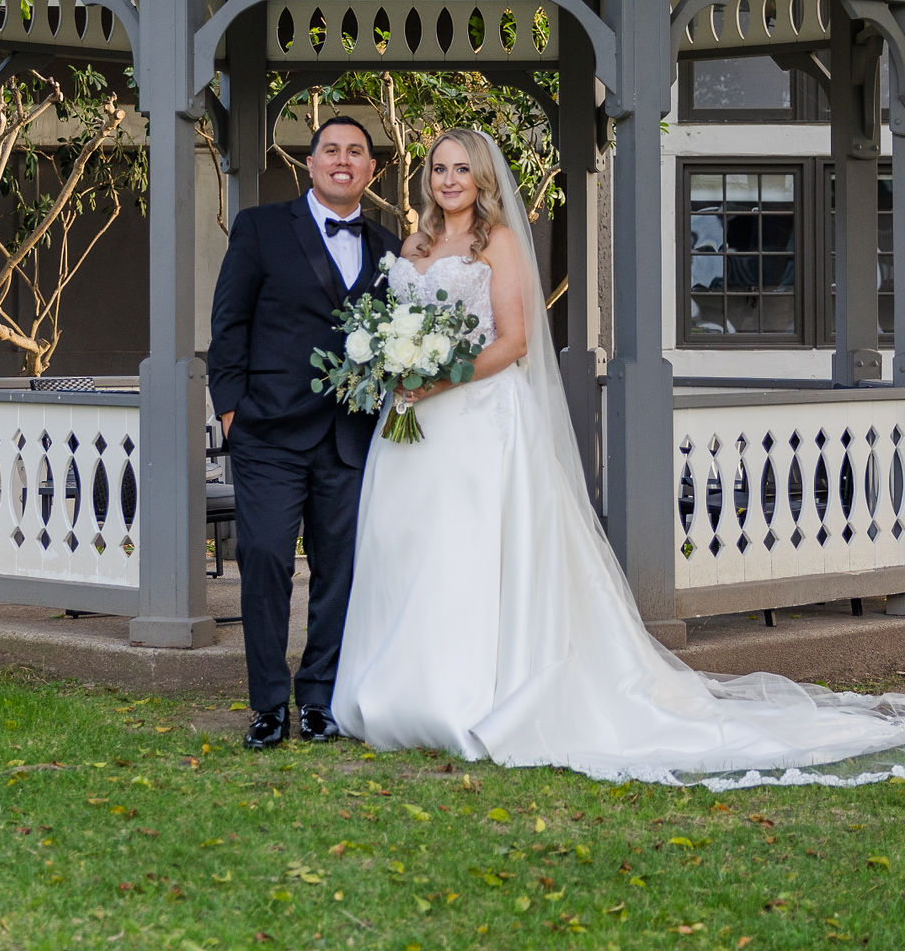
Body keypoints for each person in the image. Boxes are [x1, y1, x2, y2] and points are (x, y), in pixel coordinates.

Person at [332, 129, 905, 787]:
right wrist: (399, 369)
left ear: (484, 178)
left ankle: (467, 696)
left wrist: (441, 376)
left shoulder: (500, 242)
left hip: (477, 421)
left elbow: (515, 340)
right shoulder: (414, 244)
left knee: (470, 554)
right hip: (413, 426)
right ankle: (400, 691)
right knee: (412, 552)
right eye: (440, 168)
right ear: (426, 177)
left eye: (463, 168)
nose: (450, 178)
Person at [208, 116, 400, 750]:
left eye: (357, 152)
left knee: (338, 570)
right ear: (310, 164)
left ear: (371, 170)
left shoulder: (389, 247)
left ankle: (318, 696)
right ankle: (268, 703)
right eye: (331, 150)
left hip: (351, 436)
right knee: (262, 558)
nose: (343, 160)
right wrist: (231, 411)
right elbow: (229, 323)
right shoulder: (261, 229)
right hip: (267, 430)